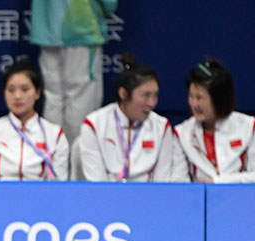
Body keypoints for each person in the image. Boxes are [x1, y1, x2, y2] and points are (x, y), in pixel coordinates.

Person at [76, 54, 185, 182]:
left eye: (155, 95)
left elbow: (162, 181)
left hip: (148, 199)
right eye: (146, 95)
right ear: (123, 94)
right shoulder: (94, 125)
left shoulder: (162, 127)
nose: (151, 103)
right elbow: (97, 183)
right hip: (107, 198)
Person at [29, 0, 118, 144]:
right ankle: (77, 162)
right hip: (82, 25)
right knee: (81, 97)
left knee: (53, 98)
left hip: (46, 27)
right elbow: (109, 4)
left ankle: (54, 159)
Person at [174, 57, 255, 184]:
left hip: (241, 200)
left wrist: (216, 182)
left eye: (199, 97)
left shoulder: (249, 126)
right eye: (191, 96)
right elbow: (179, 183)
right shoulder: (181, 133)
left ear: (219, 98)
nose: (194, 104)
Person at [0, 59, 70, 181]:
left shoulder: (55, 135)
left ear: (37, 93)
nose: (17, 96)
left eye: (25, 89)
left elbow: (58, 187)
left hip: (40, 198)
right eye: (11, 90)